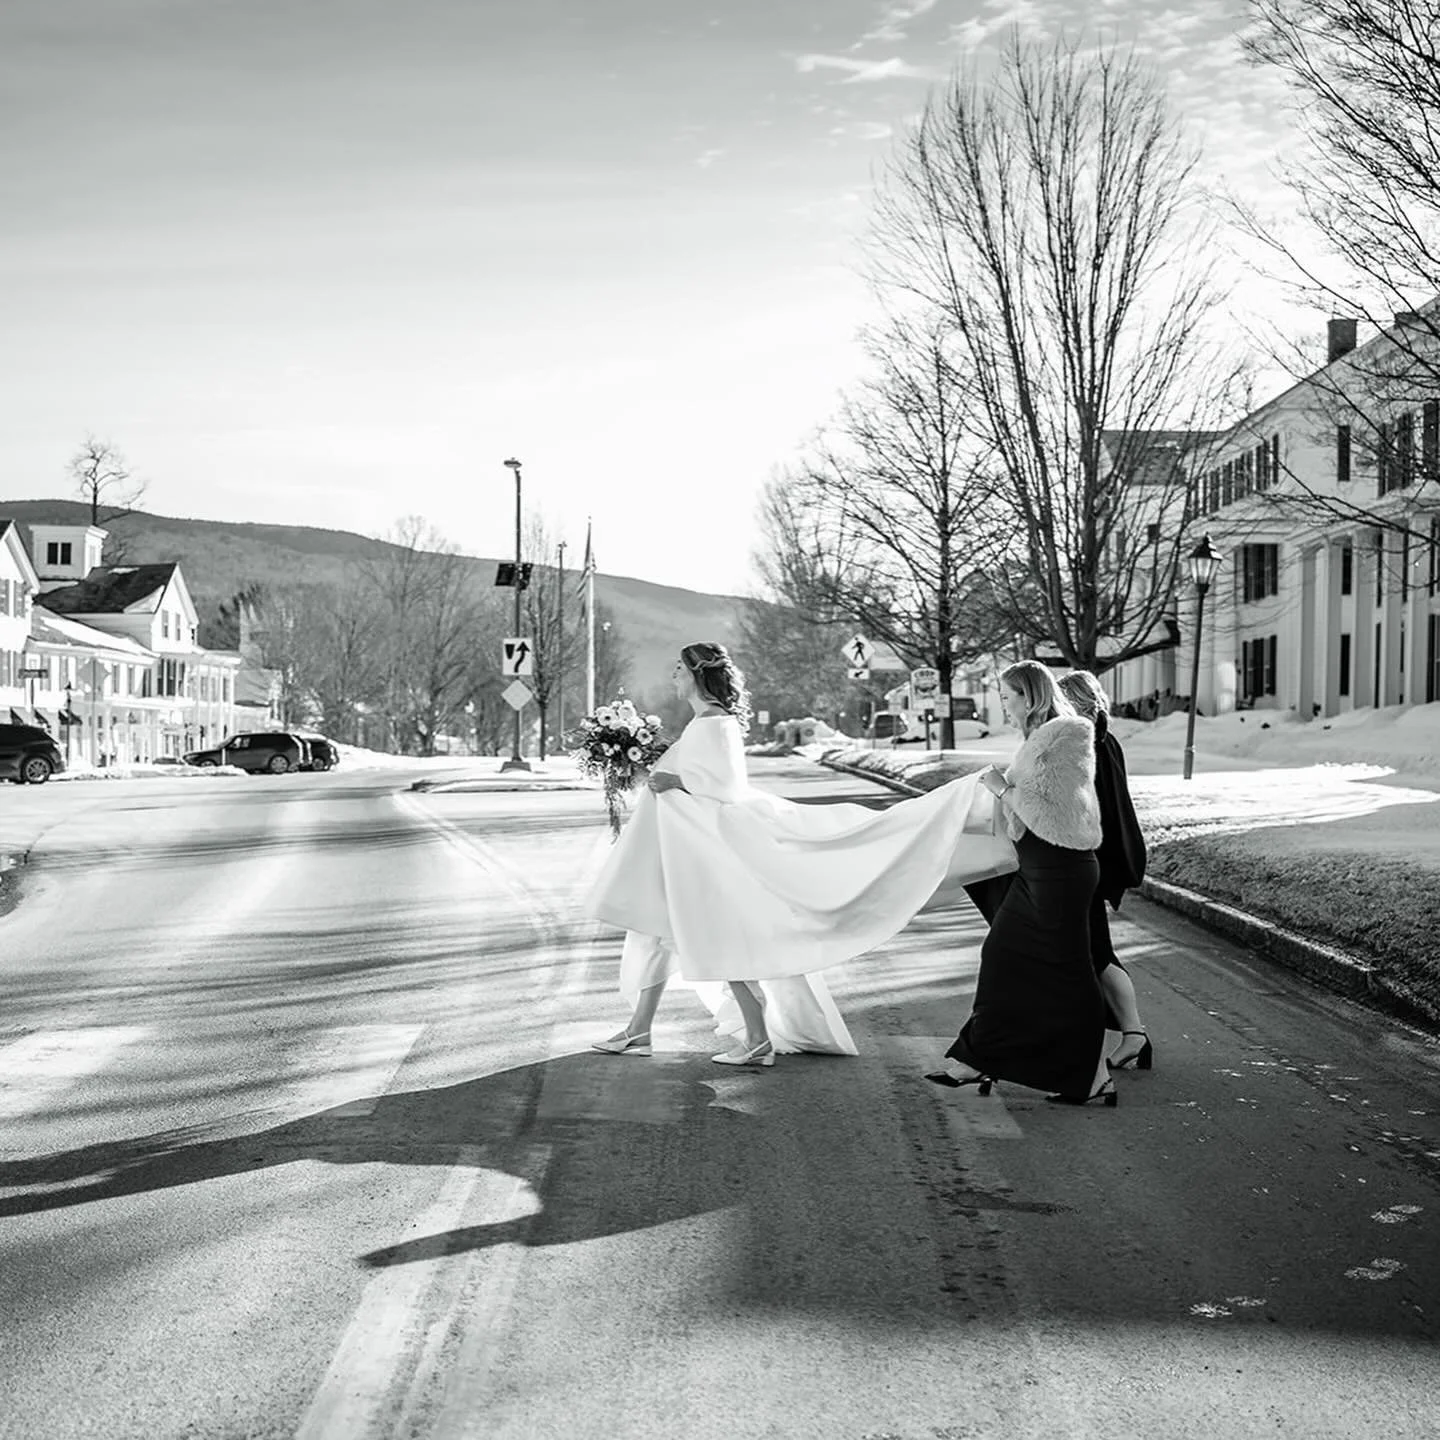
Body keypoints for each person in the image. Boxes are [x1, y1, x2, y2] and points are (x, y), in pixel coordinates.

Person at [585, 642, 1018, 1067]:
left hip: (709, 850)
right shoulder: (705, 723)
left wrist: (675, 784)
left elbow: (721, 788)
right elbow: (693, 775)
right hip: (682, 848)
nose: (673, 676)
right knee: (662, 931)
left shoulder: (714, 724)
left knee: (714, 936)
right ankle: (641, 1030)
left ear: (699, 673)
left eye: (680, 668)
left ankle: (753, 1037)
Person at [927, 660, 1115, 1107]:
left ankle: (1094, 1076)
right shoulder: (1040, 739)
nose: (1004, 707)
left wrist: (1001, 788)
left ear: (1030, 697)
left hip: (1061, 870)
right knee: (1004, 956)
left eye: (1008, 697)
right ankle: (979, 1057)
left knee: (1070, 971)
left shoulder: (1067, 735)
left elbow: (1054, 813)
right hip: (1039, 870)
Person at [1058, 669, 1152, 1071]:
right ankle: (1133, 1036)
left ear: (1076, 703)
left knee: (1097, 952)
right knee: (1095, 950)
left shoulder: (1086, 743)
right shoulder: (1104, 739)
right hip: (1104, 856)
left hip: (1092, 859)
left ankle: (1134, 1035)